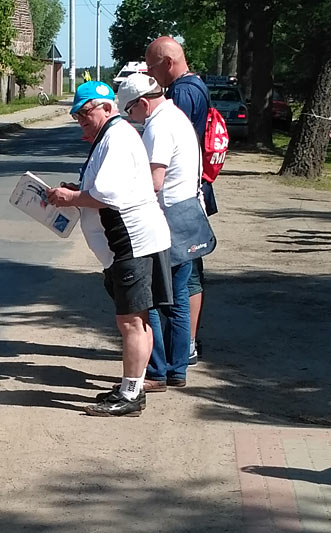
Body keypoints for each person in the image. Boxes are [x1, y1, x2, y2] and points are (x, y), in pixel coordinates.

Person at [46, 81, 173, 417]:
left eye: (87, 111)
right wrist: (79, 190)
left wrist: (71, 197)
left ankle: (131, 395)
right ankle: (132, 387)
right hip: (132, 243)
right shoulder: (112, 136)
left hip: (130, 243)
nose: (81, 119)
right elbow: (105, 188)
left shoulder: (116, 137)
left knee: (130, 322)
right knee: (138, 320)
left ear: (107, 107)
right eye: (77, 115)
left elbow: (107, 196)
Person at [118, 73, 201, 391]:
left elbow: (153, 181)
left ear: (141, 103)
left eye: (129, 111)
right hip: (187, 214)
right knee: (178, 298)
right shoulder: (176, 117)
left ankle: (155, 370)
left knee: (146, 299)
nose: (131, 119)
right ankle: (176, 369)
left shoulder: (157, 126)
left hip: (166, 219)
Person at [146, 36, 211, 366]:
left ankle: (183, 347)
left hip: (178, 198)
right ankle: (184, 347)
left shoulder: (181, 95)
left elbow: (170, 146)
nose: (150, 74)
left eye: (152, 67)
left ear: (168, 63)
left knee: (184, 281)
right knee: (187, 278)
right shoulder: (195, 86)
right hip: (190, 192)